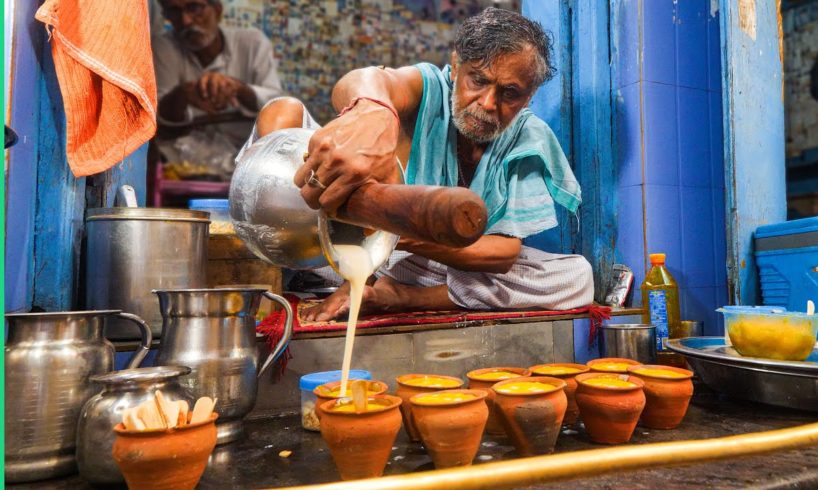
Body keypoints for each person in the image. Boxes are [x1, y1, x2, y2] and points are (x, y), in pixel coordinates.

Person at [245, 7, 594, 321]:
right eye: (479, 80)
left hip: (415, 262)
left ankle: (398, 297)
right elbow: (371, 80)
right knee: (282, 113)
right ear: (456, 67)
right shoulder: (427, 87)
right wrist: (374, 111)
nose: (488, 103)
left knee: (574, 277)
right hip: (356, 242)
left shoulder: (526, 136)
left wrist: (399, 231)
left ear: (529, 96)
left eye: (510, 93)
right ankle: (351, 274)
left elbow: (502, 254)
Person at [152, 0, 284, 149]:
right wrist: (182, 95)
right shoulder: (163, 47)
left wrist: (238, 89)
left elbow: (277, 103)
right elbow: (158, 117)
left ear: (217, 10)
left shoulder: (252, 43)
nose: (186, 21)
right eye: (174, 12)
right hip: (187, 158)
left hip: (248, 153)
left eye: (194, 8)